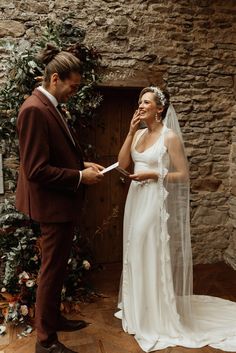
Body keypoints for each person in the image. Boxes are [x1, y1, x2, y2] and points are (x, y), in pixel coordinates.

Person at [115, 86, 236, 352]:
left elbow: (183, 175)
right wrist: (130, 131)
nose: (141, 105)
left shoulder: (169, 137)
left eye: (146, 102)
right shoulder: (139, 135)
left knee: (146, 248)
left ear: (159, 109)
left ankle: (155, 314)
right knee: (133, 251)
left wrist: (154, 176)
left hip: (153, 200)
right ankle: (139, 309)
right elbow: (123, 164)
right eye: (139, 101)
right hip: (135, 200)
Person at [15, 44, 104, 353]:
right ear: (55, 79)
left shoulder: (49, 105)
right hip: (51, 208)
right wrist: (80, 178)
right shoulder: (34, 109)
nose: (73, 92)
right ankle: (45, 341)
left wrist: (81, 165)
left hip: (59, 205)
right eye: (72, 86)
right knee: (51, 272)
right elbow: (37, 170)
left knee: (56, 269)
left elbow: (55, 153)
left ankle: (51, 320)